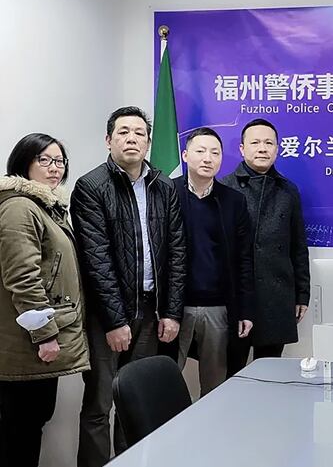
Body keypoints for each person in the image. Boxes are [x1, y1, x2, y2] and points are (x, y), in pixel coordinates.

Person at [71, 106, 186, 467]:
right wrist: (115, 320)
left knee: (136, 403)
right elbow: (96, 259)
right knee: (99, 404)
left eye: (139, 133)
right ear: (109, 140)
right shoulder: (91, 186)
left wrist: (171, 312)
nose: (131, 138)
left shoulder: (163, 186)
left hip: (150, 313)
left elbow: (177, 252)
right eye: (123, 132)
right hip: (107, 317)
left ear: (148, 142)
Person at [0, 134, 90, 467]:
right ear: (24, 162)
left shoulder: (45, 206)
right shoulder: (19, 208)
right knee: (19, 431)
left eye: (60, 161)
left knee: (31, 424)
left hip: (34, 346)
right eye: (45, 160)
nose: (55, 168)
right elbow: (23, 278)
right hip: (26, 346)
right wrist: (45, 335)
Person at [220, 118, 310, 372]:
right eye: (255, 143)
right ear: (242, 149)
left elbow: (298, 245)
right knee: (232, 373)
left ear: (277, 149)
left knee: (270, 372)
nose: (262, 148)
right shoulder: (225, 188)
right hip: (236, 296)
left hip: (276, 294)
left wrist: (302, 294)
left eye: (269, 143)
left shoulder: (288, 191)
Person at [173, 127, 254, 395]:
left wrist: (244, 310)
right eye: (200, 151)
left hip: (218, 307)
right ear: (185, 155)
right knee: (163, 381)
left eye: (215, 153)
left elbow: (244, 259)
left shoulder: (233, 201)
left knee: (215, 387)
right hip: (175, 309)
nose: (208, 158)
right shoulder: (167, 193)